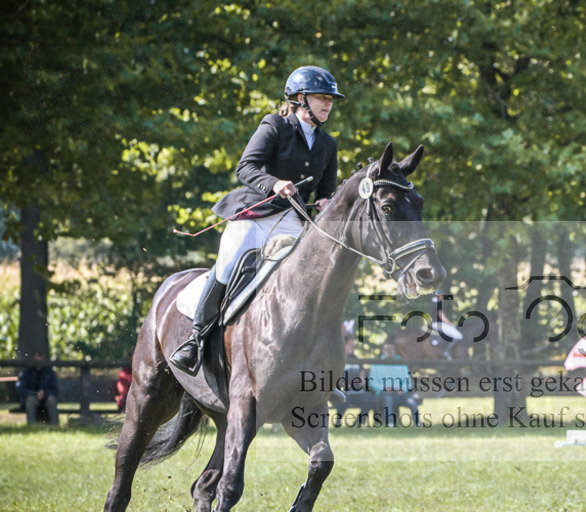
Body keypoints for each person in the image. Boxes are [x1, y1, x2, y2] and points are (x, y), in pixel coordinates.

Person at [170, 65, 345, 374]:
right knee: (227, 264)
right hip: (256, 215)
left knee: (308, 278)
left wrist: (326, 202)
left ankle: (312, 360)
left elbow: (327, 190)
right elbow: (246, 168)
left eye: (330, 99)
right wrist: (274, 183)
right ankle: (196, 341)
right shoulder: (275, 126)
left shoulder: (328, 144)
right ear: (300, 99)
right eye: (321, 97)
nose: (328, 104)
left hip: (293, 221)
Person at [366, 342, 421, 427]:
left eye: (391, 349)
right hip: (384, 393)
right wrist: (384, 388)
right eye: (387, 349)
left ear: (394, 351)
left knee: (411, 402)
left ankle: (417, 423)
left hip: (400, 393)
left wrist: (402, 388)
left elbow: (408, 381)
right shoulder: (376, 364)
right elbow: (372, 381)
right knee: (388, 400)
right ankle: (390, 423)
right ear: (383, 351)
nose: (389, 351)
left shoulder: (401, 364)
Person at [16, 352, 59, 425]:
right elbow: (21, 389)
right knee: (30, 400)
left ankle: (55, 425)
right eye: (36, 359)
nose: (38, 362)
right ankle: (31, 425)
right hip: (32, 399)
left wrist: (44, 393)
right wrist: (34, 393)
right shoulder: (26, 372)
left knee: (51, 400)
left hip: (46, 399)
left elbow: (55, 389)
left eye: (40, 359)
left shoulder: (49, 372)